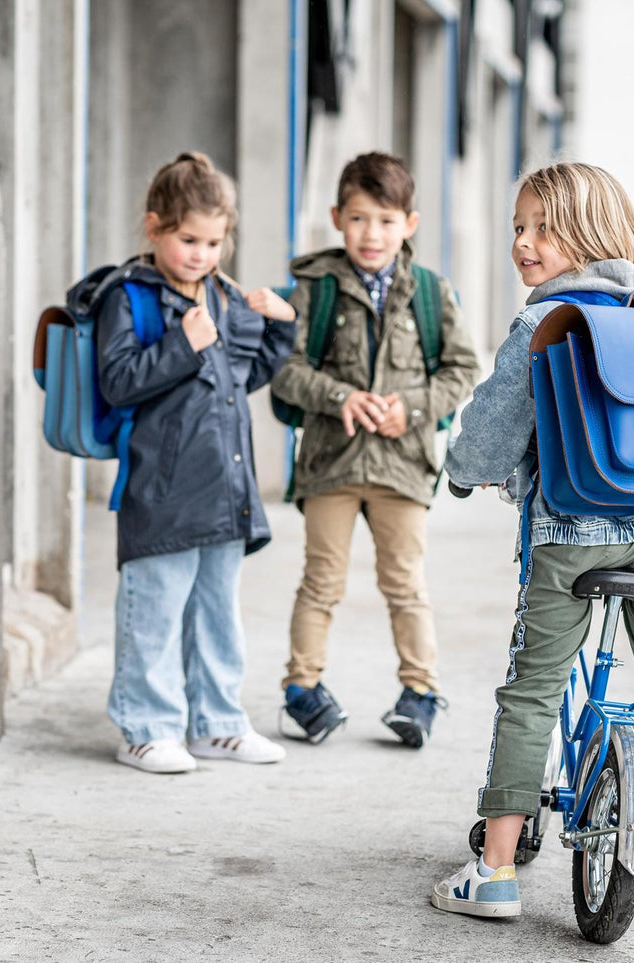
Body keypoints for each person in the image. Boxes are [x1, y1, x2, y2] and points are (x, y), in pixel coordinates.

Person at [432, 162, 634, 918]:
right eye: (517, 228)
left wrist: (464, 472)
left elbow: (490, 432)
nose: (523, 243)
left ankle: (494, 872)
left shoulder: (545, 322)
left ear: (587, 231)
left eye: (541, 226)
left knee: (531, 689)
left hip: (569, 535)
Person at [80, 151, 297, 774]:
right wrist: (182, 343)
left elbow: (244, 375)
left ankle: (218, 723)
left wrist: (278, 331)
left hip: (226, 486)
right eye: (188, 239)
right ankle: (145, 726)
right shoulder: (131, 298)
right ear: (155, 229)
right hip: (162, 487)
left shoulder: (223, 298)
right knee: (153, 610)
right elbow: (118, 380)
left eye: (214, 241)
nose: (201, 254)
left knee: (217, 613)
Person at [269, 152, 479, 748]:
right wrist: (338, 397)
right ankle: (301, 690)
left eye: (386, 221)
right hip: (331, 463)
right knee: (320, 582)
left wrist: (408, 405)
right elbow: (284, 368)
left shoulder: (432, 294)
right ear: (337, 217)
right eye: (359, 219)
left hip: (402, 465)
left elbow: (462, 369)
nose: (371, 234)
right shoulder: (315, 288)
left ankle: (420, 692)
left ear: (409, 224)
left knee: (406, 584)